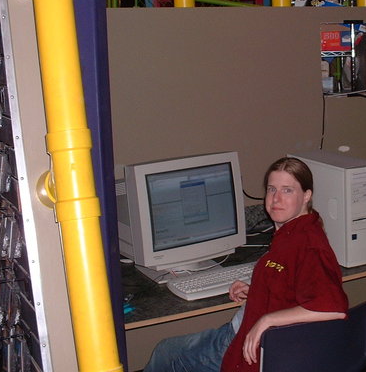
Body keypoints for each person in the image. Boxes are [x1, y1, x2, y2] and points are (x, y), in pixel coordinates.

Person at [143, 156, 348, 372]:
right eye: (271, 189)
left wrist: (266, 320)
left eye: (287, 190)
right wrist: (259, 292)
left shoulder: (309, 245)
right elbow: (292, 281)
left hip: (245, 343)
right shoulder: (293, 233)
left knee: (166, 352)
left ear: (306, 195)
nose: (276, 199)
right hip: (255, 330)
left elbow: (333, 309)